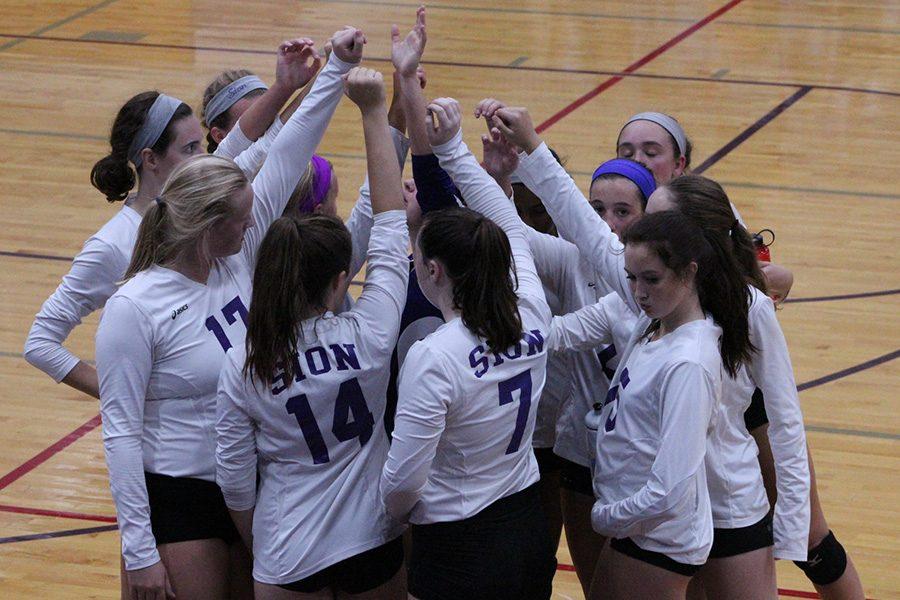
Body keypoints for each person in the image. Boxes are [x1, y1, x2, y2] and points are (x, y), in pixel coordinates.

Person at [94, 30, 362, 599]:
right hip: (180, 492)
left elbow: (290, 147)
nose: (253, 227)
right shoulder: (136, 307)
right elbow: (119, 434)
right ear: (206, 225)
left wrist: (336, 67)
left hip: (250, 484)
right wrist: (139, 552)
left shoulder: (233, 259)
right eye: (242, 222)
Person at [617, 114, 864, 600]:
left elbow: (784, 409)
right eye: (627, 149)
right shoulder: (645, 265)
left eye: (651, 150)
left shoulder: (737, 289)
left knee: (812, 541)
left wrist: (791, 527)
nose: (639, 160)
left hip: (743, 431)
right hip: (678, 466)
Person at [24, 38, 320, 400]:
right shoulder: (111, 244)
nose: (204, 156)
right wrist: (125, 392)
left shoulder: (202, 191)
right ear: (151, 159)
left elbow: (263, 141)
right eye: (191, 149)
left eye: (201, 146)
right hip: (173, 437)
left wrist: (301, 84)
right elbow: (40, 342)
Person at [216, 66, 409, 599]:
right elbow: (390, 231)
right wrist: (375, 112)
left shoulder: (242, 360)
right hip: (371, 539)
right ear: (338, 282)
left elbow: (235, 479)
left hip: (286, 550)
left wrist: (264, 542)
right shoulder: (369, 335)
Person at [381, 97, 556, 600]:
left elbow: (403, 484)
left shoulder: (436, 354)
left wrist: (382, 514)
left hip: (459, 545)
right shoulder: (530, 309)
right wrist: (450, 146)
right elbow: (504, 216)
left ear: (432, 270)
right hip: (526, 523)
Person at [549, 209, 752, 599]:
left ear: (690, 272)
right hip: (638, 527)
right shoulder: (654, 326)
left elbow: (670, 487)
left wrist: (607, 514)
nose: (638, 292)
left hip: (656, 537)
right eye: (631, 278)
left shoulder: (688, 363)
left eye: (652, 279)